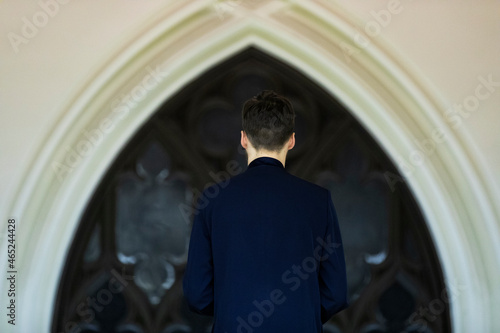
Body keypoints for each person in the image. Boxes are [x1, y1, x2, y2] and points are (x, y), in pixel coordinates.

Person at [183, 90, 348, 332]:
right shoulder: (318, 200)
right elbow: (335, 293)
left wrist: (233, 307)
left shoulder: (213, 200)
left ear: (243, 139)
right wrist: (300, 311)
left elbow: (197, 295)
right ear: (291, 140)